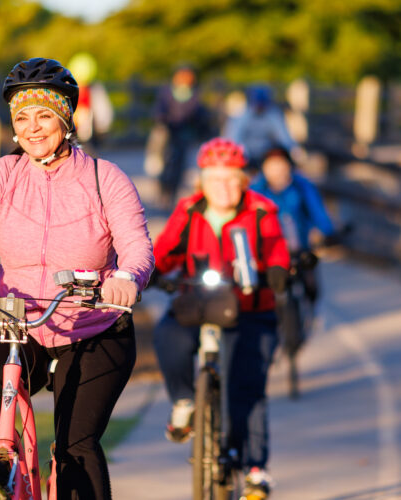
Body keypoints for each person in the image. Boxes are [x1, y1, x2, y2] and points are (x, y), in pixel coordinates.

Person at [0, 58, 154, 500]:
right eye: (22, 117)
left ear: (66, 117)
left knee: (75, 447)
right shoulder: (2, 175)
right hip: (23, 324)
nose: (33, 127)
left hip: (94, 327)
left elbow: (136, 243)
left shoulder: (105, 179)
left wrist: (126, 276)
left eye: (44, 115)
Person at [151, 137, 290, 498]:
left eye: (231, 178)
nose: (223, 186)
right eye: (215, 179)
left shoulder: (261, 210)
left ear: (243, 180)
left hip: (249, 308)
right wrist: (148, 271)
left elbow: (275, 247)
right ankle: (185, 402)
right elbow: (165, 250)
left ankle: (255, 468)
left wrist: (276, 270)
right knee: (168, 337)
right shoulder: (189, 209)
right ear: (202, 182)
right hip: (197, 302)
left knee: (247, 386)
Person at [251, 146, 335, 308]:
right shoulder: (256, 190)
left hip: (300, 245)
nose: (277, 172)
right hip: (269, 250)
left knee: (311, 285)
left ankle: (311, 312)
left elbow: (317, 210)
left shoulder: (301, 186)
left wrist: (327, 231)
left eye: (281, 166)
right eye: (271, 166)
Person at [149, 64, 209, 208]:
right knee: (163, 162)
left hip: (183, 134)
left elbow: (200, 115)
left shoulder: (195, 94)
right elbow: (159, 109)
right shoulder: (167, 92)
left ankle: (172, 193)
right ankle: (163, 189)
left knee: (179, 165)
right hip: (167, 131)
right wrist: (163, 119)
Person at [225, 85, 299, 169]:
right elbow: (234, 139)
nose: (259, 107)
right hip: (246, 157)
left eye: (262, 104)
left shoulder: (273, 114)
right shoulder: (241, 115)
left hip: (266, 156)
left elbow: (284, 137)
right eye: (257, 104)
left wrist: (294, 151)